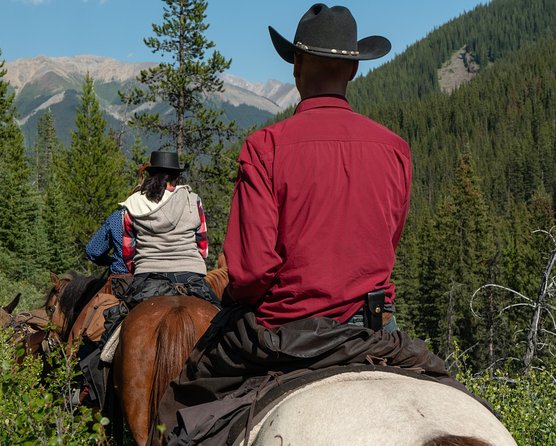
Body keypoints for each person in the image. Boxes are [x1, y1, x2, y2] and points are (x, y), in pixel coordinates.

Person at [155, 5, 494, 444]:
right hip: (373, 329)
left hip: (284, 331)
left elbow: (253, 270)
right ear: (352, 69)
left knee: (182, 407)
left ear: (296, 65)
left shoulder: (265, 148)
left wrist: (238, 298)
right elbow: (387, 243)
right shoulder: (394, 149)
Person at [100, 150, 220, 345]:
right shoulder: (193, 200)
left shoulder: (134, 204)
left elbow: (128, 252)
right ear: (176, 176)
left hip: (148, 276)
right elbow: (202, 247)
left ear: (150, 175)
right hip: (190, 275)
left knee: (113, 332)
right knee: (223, 325)